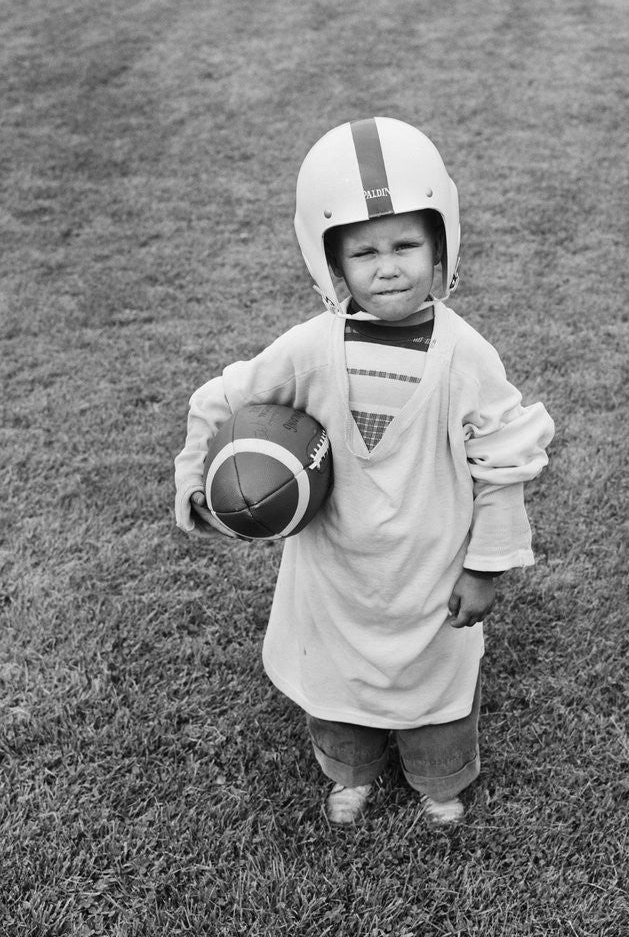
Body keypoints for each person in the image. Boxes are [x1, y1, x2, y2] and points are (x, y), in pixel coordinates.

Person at [174, 117, 554, 825]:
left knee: (435, 685)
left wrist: (486, 565)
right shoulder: (309, 348)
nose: (388, 266)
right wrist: (200, 474)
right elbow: (227, 396)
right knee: (336, 679)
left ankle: (439, 781)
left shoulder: (464, 353)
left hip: (429, 566)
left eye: (407, 244)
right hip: (335, 568)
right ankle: (350, 771)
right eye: (364, 252)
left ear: (442, 244)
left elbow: (503, 458)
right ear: (330, 264)